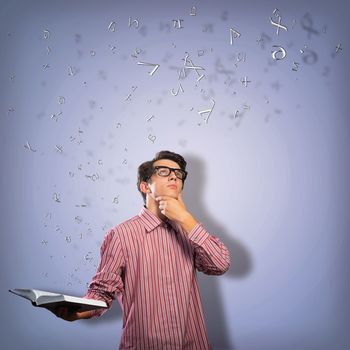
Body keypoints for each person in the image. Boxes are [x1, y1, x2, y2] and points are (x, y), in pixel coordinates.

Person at [51, 150, 230, 349]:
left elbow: (220, 265)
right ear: (145, 186)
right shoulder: (120, 235)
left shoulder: (190, 229)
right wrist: (81, 310)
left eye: (179, 174)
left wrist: (186, 219)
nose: (174, 176)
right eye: (164, 171)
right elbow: (102, 291)